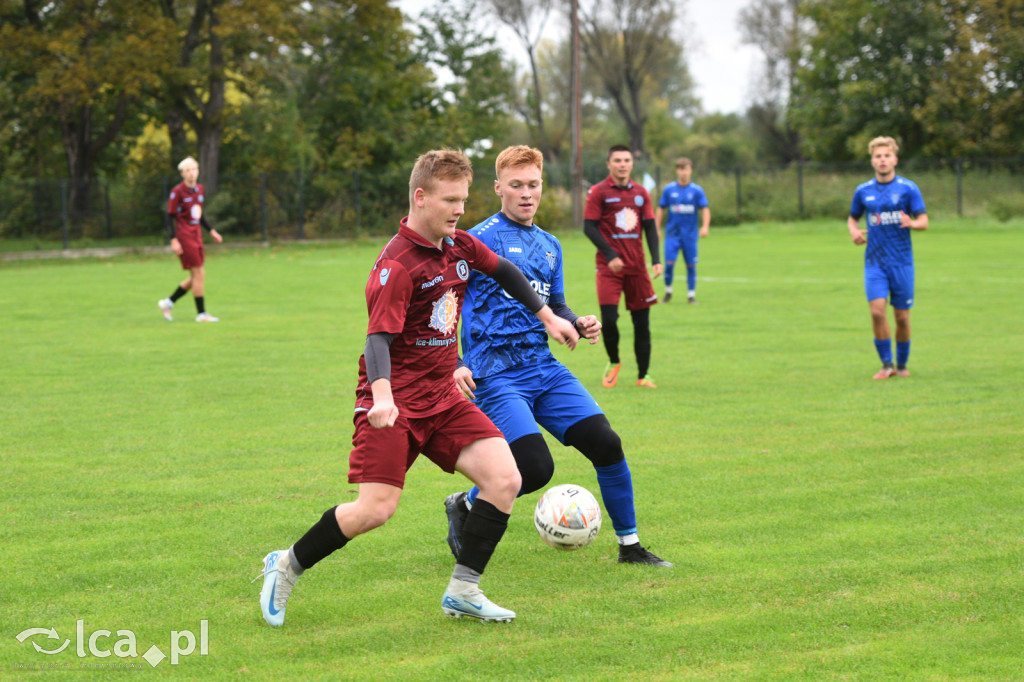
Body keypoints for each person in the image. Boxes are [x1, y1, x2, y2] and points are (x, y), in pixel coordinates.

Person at [255, 149, 580, 626]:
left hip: (444, 396)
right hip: (394, 401)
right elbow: (377, 339)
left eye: (464, 200)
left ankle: (464, 591)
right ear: (421, 197)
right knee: (375, 510)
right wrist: (383, 397)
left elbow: (506, 272)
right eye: (450, 200)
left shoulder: (460, 246)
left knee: (506, 479)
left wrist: (548, 316)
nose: (459, 210)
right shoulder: (397, 265)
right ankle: (285, 565)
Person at [443, 145, 672, 567]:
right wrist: (455, 362)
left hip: (543, 368)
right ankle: (467, 504)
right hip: (495, 375)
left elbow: (556, 304)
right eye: (516, 186)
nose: (526, 194)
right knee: (533, 467)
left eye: (533, 185)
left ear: (542, 186)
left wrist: (578, 321)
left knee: (607, 444)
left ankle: (631, 547)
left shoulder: (549, 245)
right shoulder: (474, 241)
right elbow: (446, 307)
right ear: (498, 188)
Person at [847, 136, 928, 379]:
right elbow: (853, 218)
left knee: (902, 317)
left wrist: (911, 223)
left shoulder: (908, 188)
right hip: (874, 261)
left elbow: (924, 221)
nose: (882, 160)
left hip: (902, 262)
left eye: (886, 155)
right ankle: (886, 365)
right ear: (872, 161)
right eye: (877, 156)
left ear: (895, 159)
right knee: (877, 312)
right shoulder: (863, 191)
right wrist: (854, 232)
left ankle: (902, 366)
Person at [583, 144, 662, 389]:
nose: (622, 164)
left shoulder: (641, 193)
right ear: (609, 164)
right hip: (609, 268)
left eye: (626, 160)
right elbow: (589, 227)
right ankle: (614, 361)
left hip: (637, 267)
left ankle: (643, 375)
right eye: (617, 160)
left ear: (632, 163)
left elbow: (650, 227)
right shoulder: (599, 192)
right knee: (609, 317)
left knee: (642, 322)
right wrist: (610, 255)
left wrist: (656, 259)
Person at [157, 156, 223, 322]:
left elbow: (199, 215)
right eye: (188, 170)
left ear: (198, 171)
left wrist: (212, 231)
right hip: (184, 236)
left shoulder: (199, 189)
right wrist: (173, 239)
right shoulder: (177, 192)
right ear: (182, 174)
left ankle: (168, 302)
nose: (192, 173)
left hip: (197, 235)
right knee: (198, 273)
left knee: (198, 275)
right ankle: (201, 314)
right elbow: (169, 216)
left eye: (194, 169)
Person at [655, 157, 710, 304]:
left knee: (691, 266)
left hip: (690, 236)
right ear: (677, 171)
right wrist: (657, 228)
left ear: (690, 170)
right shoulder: (669, 189)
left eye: (686, 169)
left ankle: (691, 296)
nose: (683, 173)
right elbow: (660, 208)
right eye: (680, 169)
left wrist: (705, 226)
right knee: (669, 265)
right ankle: (668, 292)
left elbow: (705, 209)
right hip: (672, 235)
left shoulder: (697, 190)